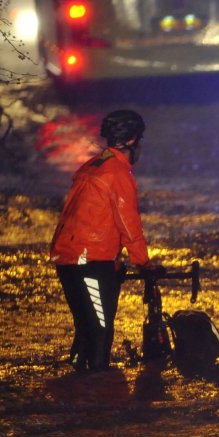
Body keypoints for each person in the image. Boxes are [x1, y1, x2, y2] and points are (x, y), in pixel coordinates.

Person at [50, 109, 158, 372]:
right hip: (90, 262)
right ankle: (98, 399)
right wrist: (144, 263)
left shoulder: (92, 166)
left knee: (85, 330)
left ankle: (74, 392)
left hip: (69, 259)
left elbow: (91, 218)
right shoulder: (118, 173)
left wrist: (117, 264)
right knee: (100, 332)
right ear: (133, 141)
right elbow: (128, 225)